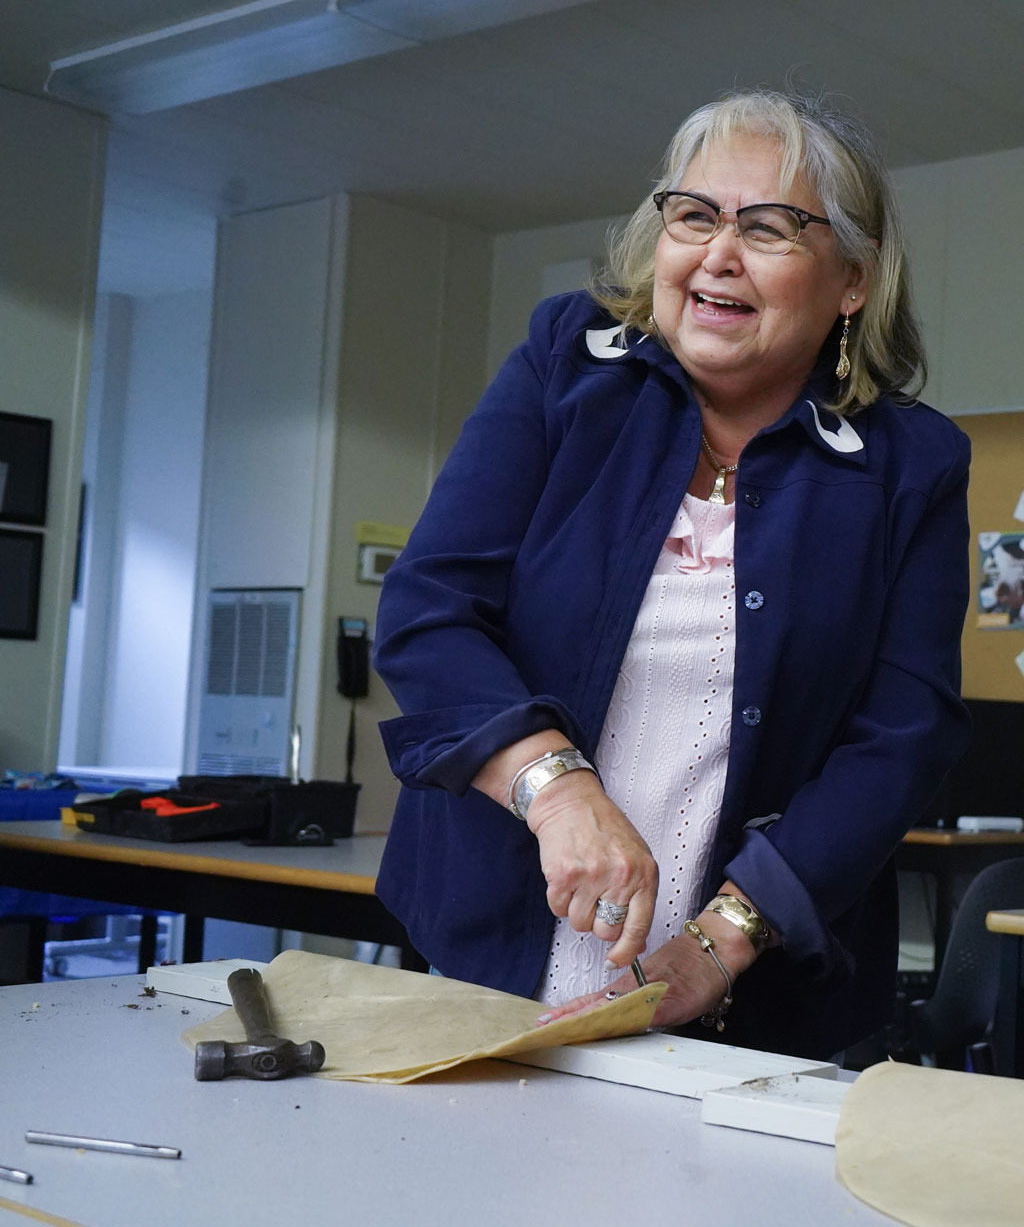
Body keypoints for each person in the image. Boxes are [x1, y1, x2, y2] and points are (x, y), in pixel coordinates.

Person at [371, 89, 972, 1061]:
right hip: (490, 961)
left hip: (749, 1000)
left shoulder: (910, 466)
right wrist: (557, 787)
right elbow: (429, 611)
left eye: (770, 227)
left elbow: (901, 735)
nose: (717, 254)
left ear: (851, 281)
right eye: (694, 216)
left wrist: (724, 936)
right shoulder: (563, 368)